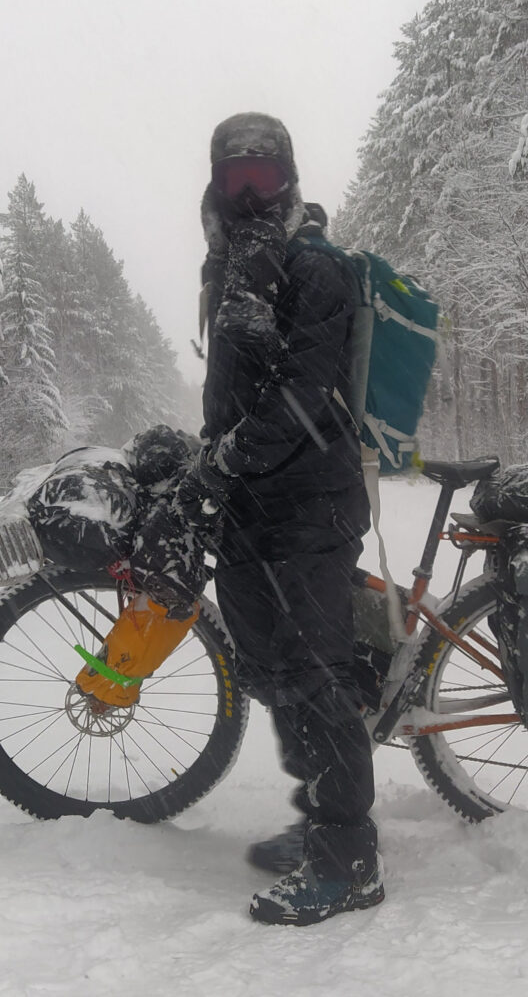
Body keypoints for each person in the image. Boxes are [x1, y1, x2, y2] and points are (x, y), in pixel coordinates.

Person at [182, 112, 383, 926]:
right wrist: (214, 458)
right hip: (253, 505)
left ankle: (348, 857)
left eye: (266, 178)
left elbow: (302, 396)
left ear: (290, 174)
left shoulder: (313, 267)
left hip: (311, 502)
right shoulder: (229, 267)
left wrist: (228, 457)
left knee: (315, 676)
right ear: (219, 185)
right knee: (269, 669)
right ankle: (316, 819)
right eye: (239, 181)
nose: (252, 195)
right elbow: (228, 391)